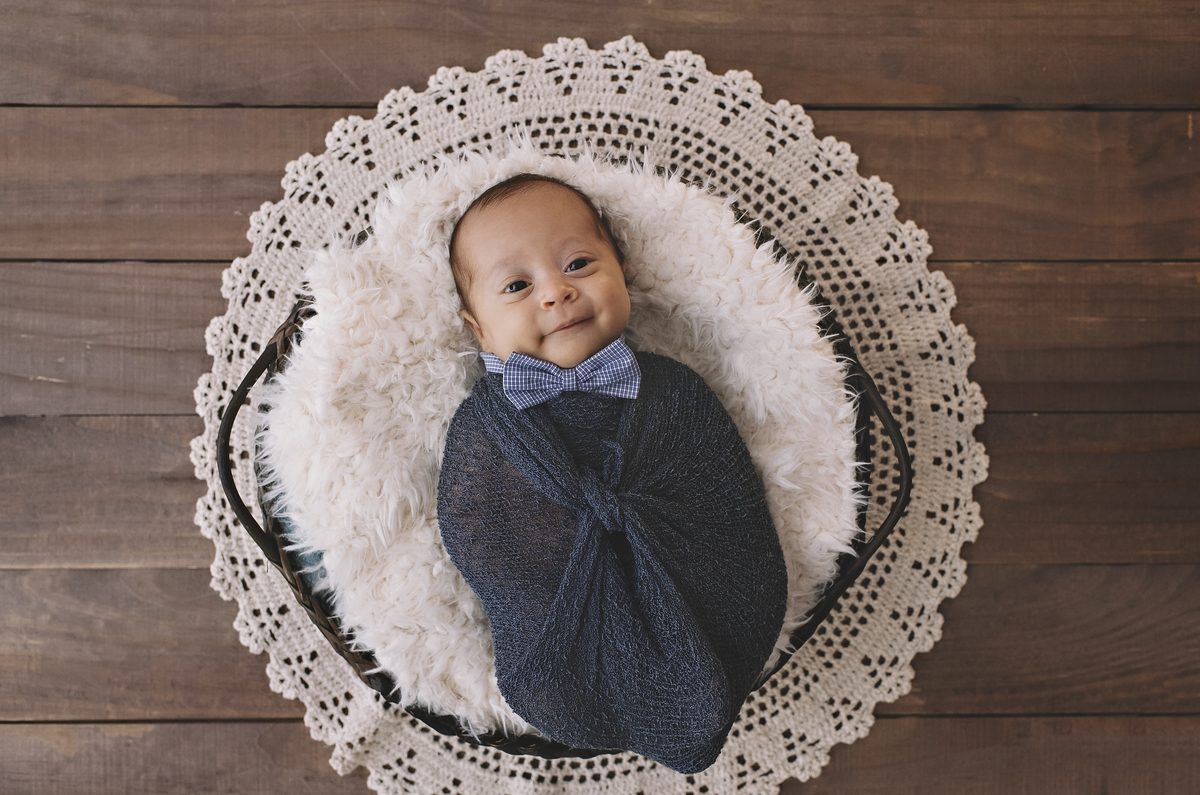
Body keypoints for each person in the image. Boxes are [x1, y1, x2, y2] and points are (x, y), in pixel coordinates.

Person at [436, 174, 788, 773]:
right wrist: (559, 541)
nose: (556, 293)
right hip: (564, 628)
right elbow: (475, 530)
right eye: (518, 285)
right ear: (480, 331)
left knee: (735, 605)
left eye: (577, 264)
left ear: (621, 271)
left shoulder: (673, 390)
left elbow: (726, 503)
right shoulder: (484, 427)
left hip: (703, 595)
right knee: (549, 686)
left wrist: (642, 523)